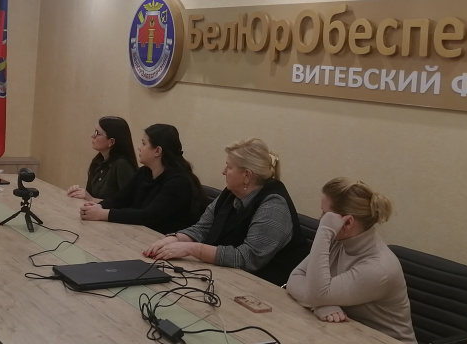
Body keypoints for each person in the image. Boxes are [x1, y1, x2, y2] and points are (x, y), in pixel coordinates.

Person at [144, 138, 309, 285]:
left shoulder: (273, 206)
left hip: (267, 290)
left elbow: (247, 258)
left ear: (247, 175)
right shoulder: (231, 193)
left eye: (229, 167)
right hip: (229, 278)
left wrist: (191, 249)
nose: (223, 172)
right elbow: (202, 228)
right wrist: (174, 239)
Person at [286, 177, 418, 344]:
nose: (320, 220)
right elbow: (295, 277)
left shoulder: (379, 268)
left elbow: (316, 295)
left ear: (347, 222)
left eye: (325, 215)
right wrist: (321, 305)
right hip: (350, 340)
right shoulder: (338, 241)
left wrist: (325, 231)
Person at [79, 124, 203, 234]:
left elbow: (148, 216)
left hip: (163, 241)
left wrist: (104, 214)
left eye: (144, 144)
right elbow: (120, 199)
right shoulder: (144, 172)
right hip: (138, 233)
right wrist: (98, 207)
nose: (139, 148)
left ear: (157, 151)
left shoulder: (178, 182)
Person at [66, 116, 138, 203]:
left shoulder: (121, 164)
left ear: (111, 142)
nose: (93, 136)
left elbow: (129, 203)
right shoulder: (97, 161)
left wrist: (92, 199)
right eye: (94, 132)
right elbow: (89, 196)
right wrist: (78, 192)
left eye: (98, 133)